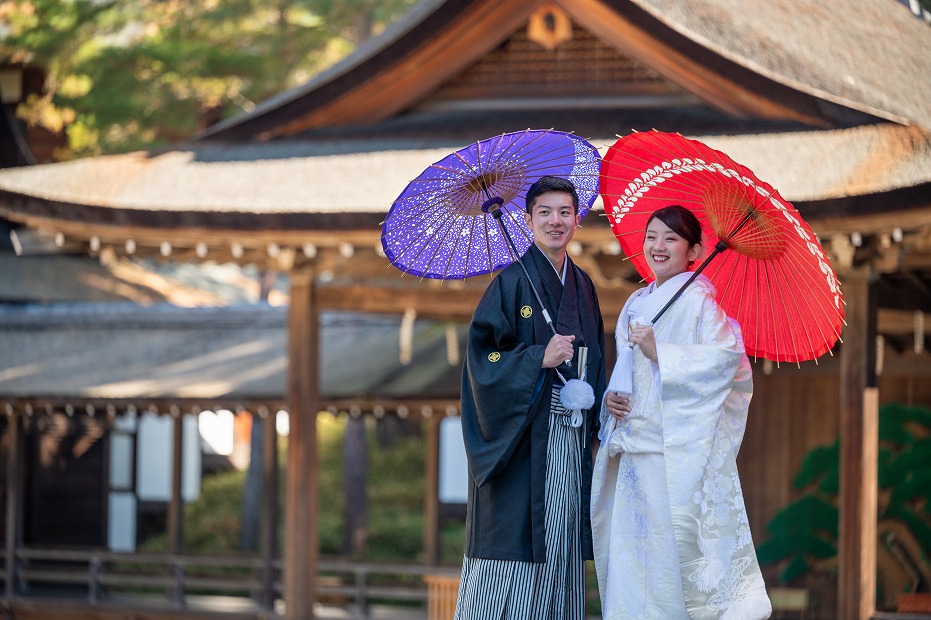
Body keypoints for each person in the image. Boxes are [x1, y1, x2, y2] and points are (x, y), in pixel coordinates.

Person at [591, 205, 772, 619]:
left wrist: (663, 354)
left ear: (694, 250)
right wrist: (611, 401)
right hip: (631, 458)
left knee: (668, 570)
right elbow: (625, 374)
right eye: (652, 236)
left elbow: (728, 363)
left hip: (670, 461)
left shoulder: (701, 304)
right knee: (630, 568)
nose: (658, 246)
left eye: (670, 239)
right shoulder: (638, 302)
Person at [454, 176, 606, 619]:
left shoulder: (583, 285)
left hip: (570, 436)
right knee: (514, 549)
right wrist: (538, 356)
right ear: (528, 220)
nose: (555, 222)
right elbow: (482, 358)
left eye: (564, 212)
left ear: (577, 220)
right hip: (520, 442)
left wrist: (596, 420)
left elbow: (595, 357)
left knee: (561, 542)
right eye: (545, 213)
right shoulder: (509, 284)